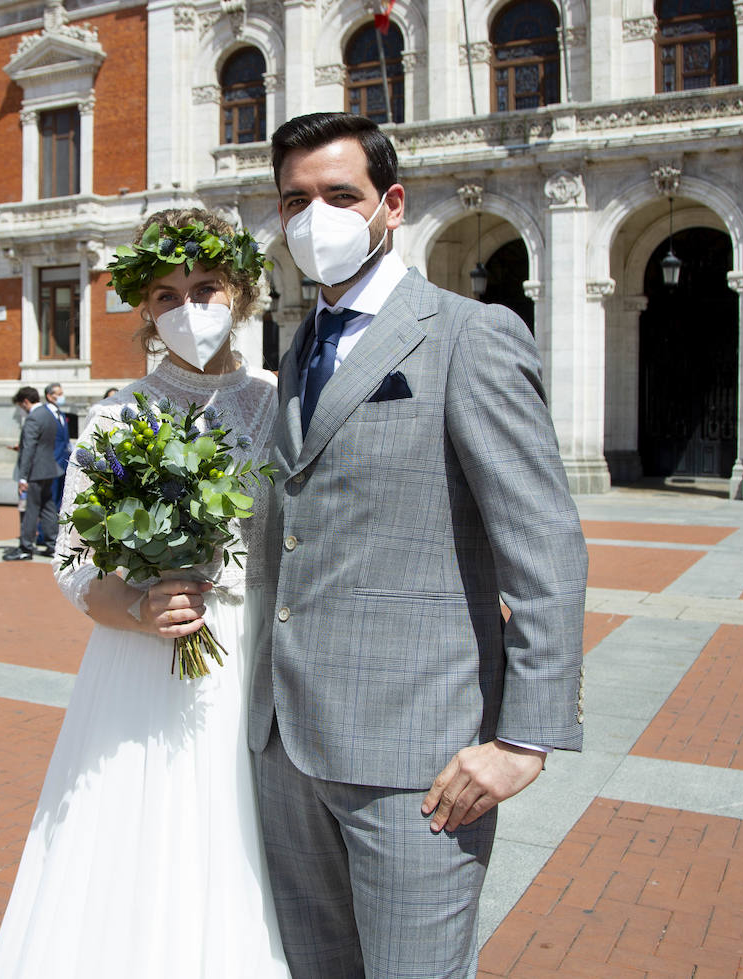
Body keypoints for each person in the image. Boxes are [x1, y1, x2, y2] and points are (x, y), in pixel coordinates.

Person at [249, 112, 589, 979]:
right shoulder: (296, 351)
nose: (312, 218)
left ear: (390, 204)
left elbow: (543, 542)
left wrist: (525, 738)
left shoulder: (468, 334)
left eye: (338, 195)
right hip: (288, 753)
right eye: (295, 201)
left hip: (420, 763)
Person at [0, 208, 289, 978]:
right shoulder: (120, 413)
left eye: (206, 287)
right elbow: (74, 562)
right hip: (146, 666)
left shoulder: (285, 402)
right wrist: (139, 606)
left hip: (258, 656)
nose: (188, 308)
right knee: (143, 841)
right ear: (144, 310)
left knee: (245, 840)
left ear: (241, 292)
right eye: (164, 294)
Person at [5, 383, 65, 561]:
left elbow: (29, 448)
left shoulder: (33, 418)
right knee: (48, 507)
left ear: (24, 402)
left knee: (31, 509)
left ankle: (25, 547)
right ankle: (52, 544)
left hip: (35, 471)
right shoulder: (48, 414)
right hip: (49, 468)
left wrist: (23, 476)